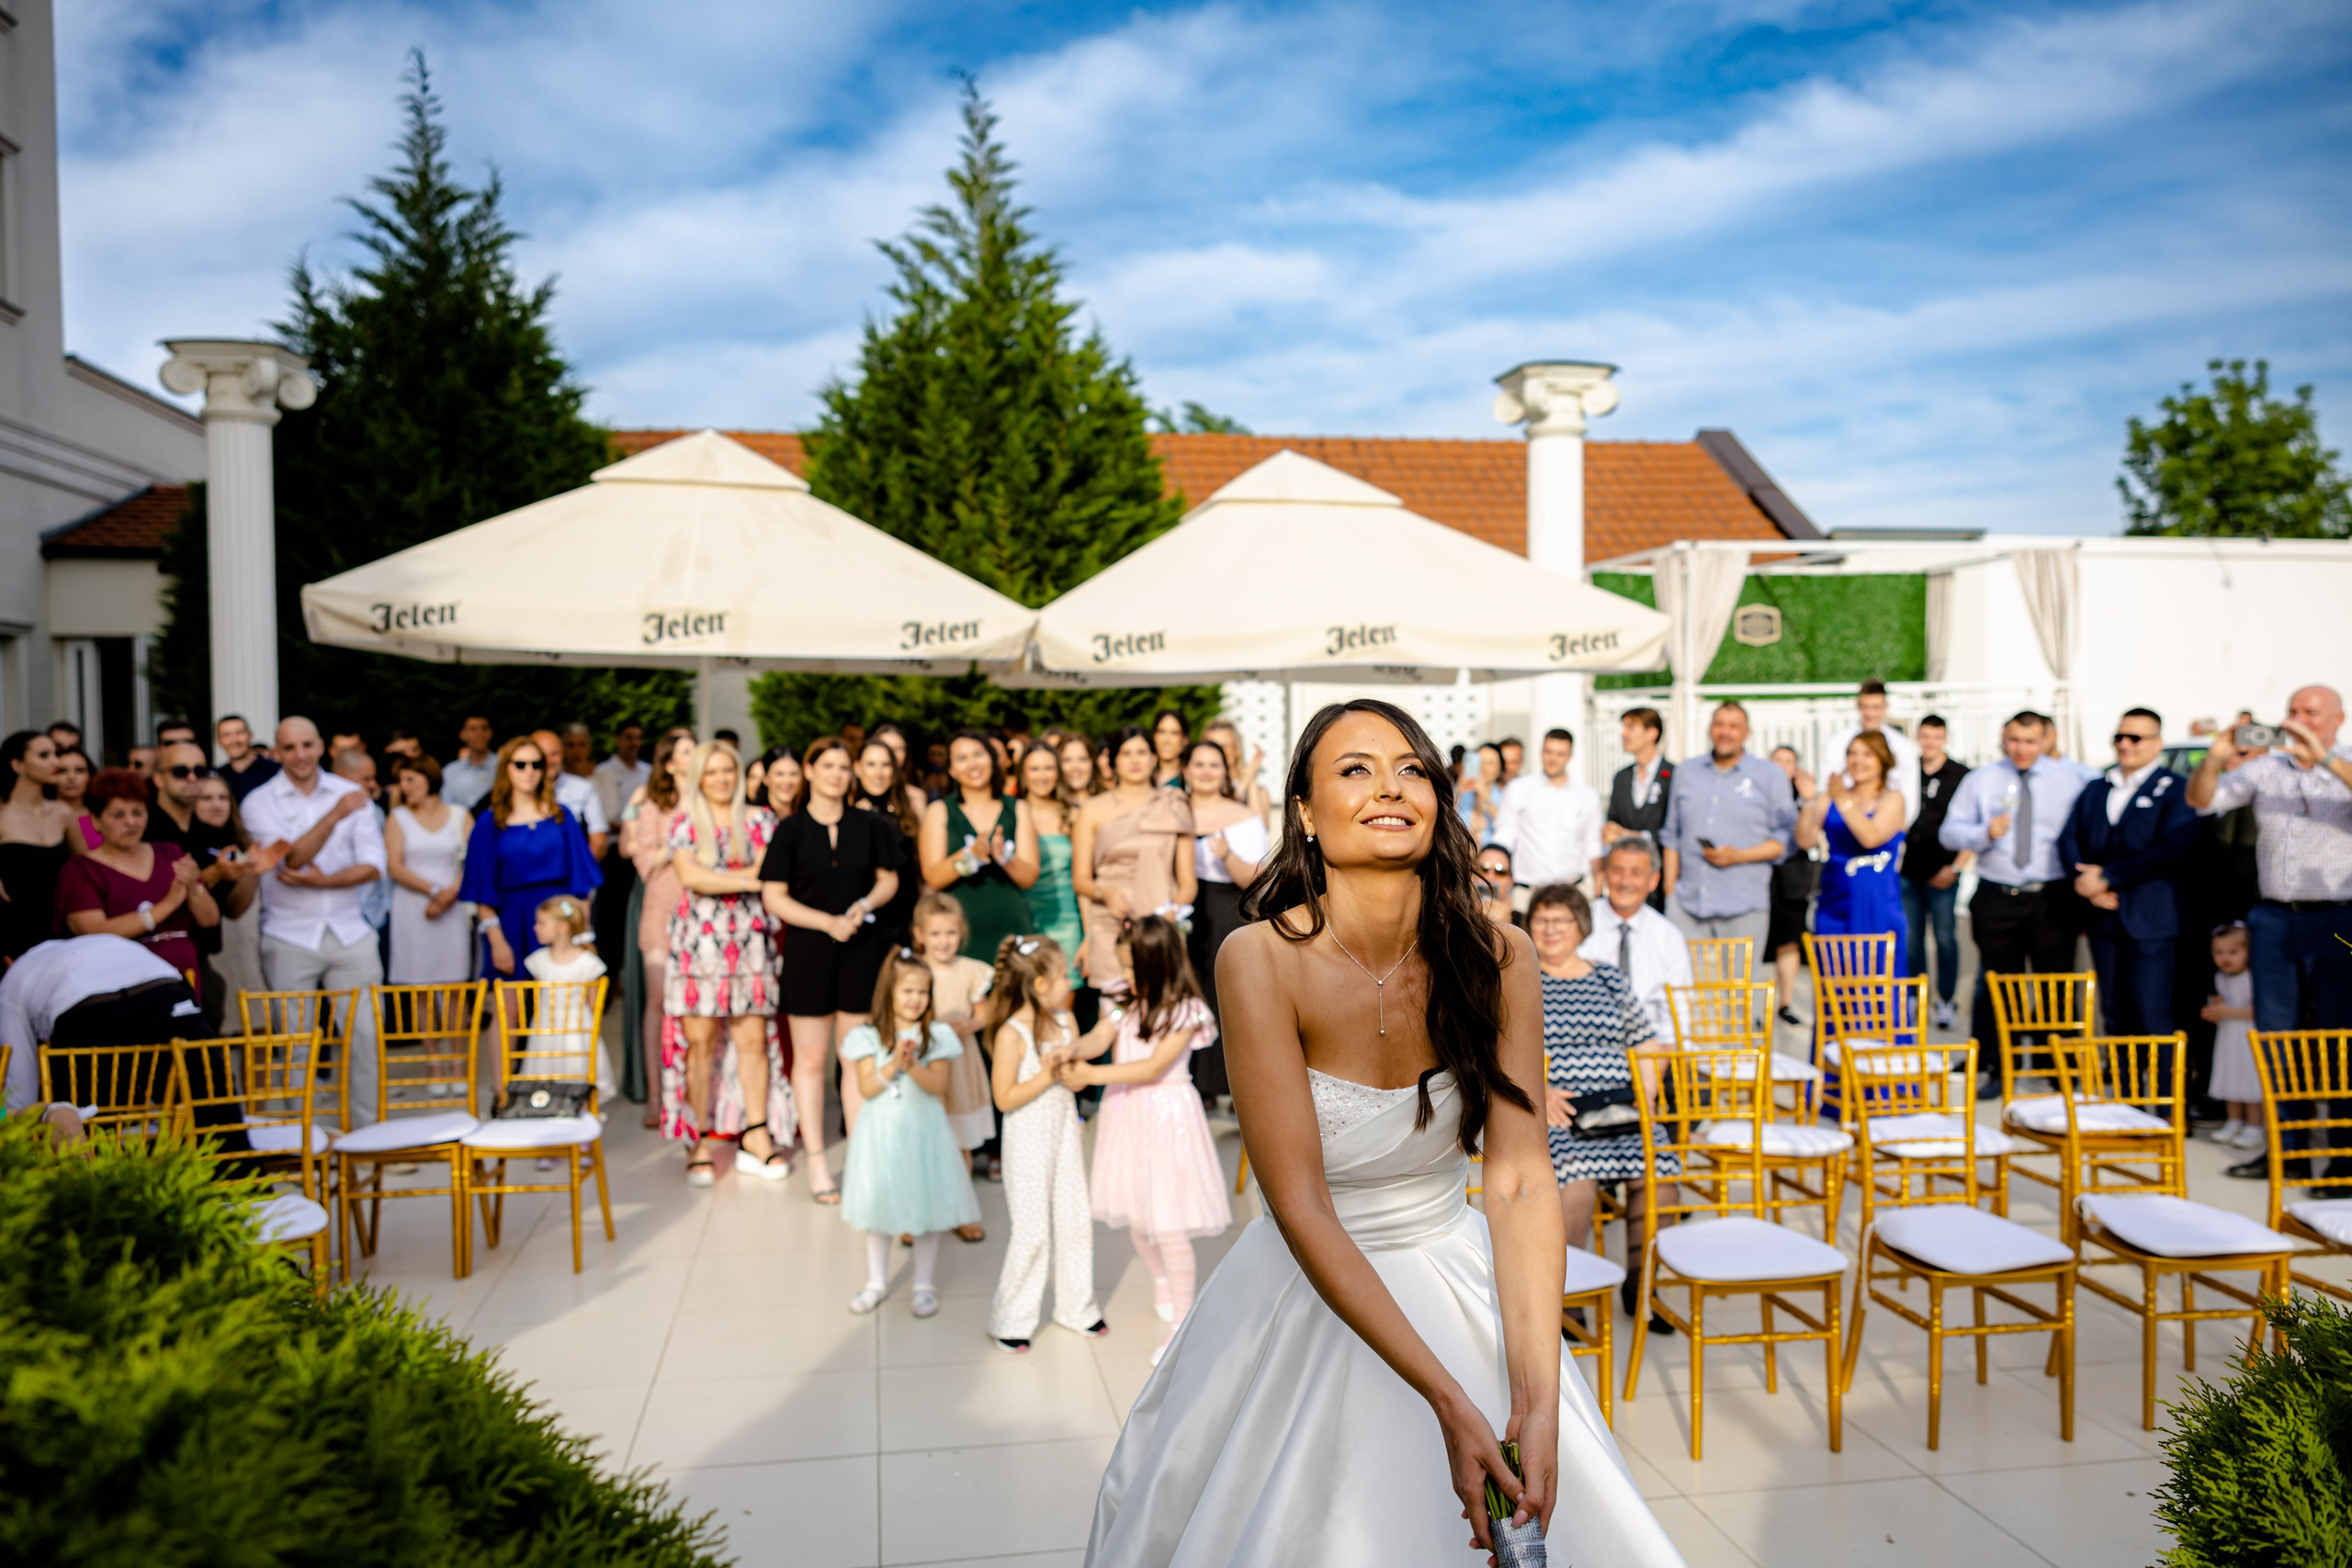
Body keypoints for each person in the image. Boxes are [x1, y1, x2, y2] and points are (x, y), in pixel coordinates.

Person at [1086, 698, 1683, 1567]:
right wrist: (1447, 1398)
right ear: (1303, 811)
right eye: (1355, 769)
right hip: (1304, 1283)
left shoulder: (1502, 955)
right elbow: (1298, 1201)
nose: (1388, 787)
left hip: (1459, 1269)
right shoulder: (1259, 959)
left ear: (1439, 799)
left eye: (1411, 768)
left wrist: (1538, 1395)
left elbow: (1517, 1180)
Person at [2188, 684, 2352, 1183]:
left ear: (2337, 719)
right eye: (2293, 711)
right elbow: (2203, 801)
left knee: (2337, 1036)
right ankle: (2287, 1153)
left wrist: (2322, 759)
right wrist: (2213, 759)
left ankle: (2342, 1159)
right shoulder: (2266, 768)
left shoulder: (2343, 762)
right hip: (2275, 916)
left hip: (2339, 918)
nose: (2298, 720)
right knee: (2278, 1041)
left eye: (2310, 712)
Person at [1067, 914, 1230, 1364]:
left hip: (1167, 1117)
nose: (1127, 977)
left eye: (1134, 969)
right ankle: (1161, 1278)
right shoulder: (1121, 999)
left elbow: (1153, 1067)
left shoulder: (1185, 1010)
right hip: (1126, 1115)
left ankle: (1183, 1319)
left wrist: (1092, 1075)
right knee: (1137, 1218)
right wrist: (1072, 1051)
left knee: (1169, 1222)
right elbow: (1100, 1035)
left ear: (1159, 965)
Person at [762, 736, 904, 1203]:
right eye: (828, 766)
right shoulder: (791, 830)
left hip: (861, 948)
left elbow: (889, 879)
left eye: (845, 767)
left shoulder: (871, 825)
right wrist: (826, 922)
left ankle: (862, 1157)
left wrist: (863, 905)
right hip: (808, 950)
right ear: (809, 771)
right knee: (809, 1060)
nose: (837, 775)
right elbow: (774, 896)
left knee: (855, 1056)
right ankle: (819, 1161)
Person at [1532, 880, 1677, 1328]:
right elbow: (1501, 1049)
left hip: (1623, 1107)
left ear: (1581, 927)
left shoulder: (1608, 977)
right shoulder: (1521, 979)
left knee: (1659, 1174)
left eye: (1562, 920)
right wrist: (1543, 1093)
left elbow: (1648, 1044)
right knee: (1576, 1182)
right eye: (1542, 920)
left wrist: (1647, 1095)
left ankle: (1645, 1285)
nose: (1552, 929)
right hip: (1562, 1111)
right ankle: (1570, 1298)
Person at [240, 717, 390, 1124]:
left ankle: (369, 1135)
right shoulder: (259, 801)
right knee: (296, 1043)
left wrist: (325, 881)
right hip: (288, 933)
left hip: (350, 929)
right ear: (277, 752)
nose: (300, 755)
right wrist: (334, 816)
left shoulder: (351, 792)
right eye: (290, 747)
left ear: (321, 746)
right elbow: (292, 859)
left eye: (307, 745)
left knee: (365, 1037)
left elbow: (374, 865)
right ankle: (303, 1140)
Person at [1940, 711, 2091, 1089]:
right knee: (1998, 985)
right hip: (1997, 895)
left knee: (2055, 985)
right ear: (2003, 740)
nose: (2021, 749)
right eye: (2014, 741)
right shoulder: (1982, 779)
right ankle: (1996, 1066)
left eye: (2030, 741)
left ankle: (2057, 1067)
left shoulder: (2074, 779)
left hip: (2050, 896)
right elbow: (1949, 832)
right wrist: (1982, 833)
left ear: (2046, 740)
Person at [983, 933, 1115, 1352]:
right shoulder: (1012, 1033)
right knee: (1032, 1228)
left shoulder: (1065, 1021)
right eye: (1063, 976)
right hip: (1026, 1138)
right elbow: (1004, 1098)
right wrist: (1047, 1074)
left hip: (1063, 1132)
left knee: (1075, 1216)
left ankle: (1076, 1306)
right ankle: (1011, 1316)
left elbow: (1075, 1069)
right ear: (1040, 985)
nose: (1070, 983)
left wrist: (1071, 1072)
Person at [662, 740, 786, 1187]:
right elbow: (690, 877)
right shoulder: (683, 822)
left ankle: (757, 1134)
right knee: (700, 1042)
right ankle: (697, 1138)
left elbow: (768, 873)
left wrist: (721, 879)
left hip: (751, 940)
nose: (720, 779)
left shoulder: (760, 820)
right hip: (699, 945)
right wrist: (743, 877)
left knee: (752, 1038)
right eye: (711, 772)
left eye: (728, 770)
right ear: (698, 776)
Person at [839, 949, 982, 1317]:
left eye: (923, 992)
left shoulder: (936, 1036)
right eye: (907, 991)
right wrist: (894, 1065)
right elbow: (868, 1089)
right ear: (889, 992)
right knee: (879, 1210)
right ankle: (875, 1282)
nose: (916, 999)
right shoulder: (868, 1036)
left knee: (927, 1207)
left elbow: (938, 1086)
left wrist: (913, 1064)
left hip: (925, 1132)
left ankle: (923, 1284)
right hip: (882, 1134)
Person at [2059, 707, 2197, 1041]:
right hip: (2103, 918)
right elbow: (2069, 837)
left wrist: (2108, 877)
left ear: (2156, 743)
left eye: (2134, 737)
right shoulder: (2097, 787)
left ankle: (2163, 1091)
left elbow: (2172, 849)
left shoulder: (2177, 789)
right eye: (2119, 737)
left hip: (2151, 919)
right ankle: (2124, 1089)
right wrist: (2087, 883)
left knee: (2152, 1010)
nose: (2124, 744)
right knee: (2115, 1010)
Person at [55, 768, 220, 998]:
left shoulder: (170, 852)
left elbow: (210, 919)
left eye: (138, 812)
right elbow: (93, 931)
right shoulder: (81, 870)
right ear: (96, 820)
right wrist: (168, 904)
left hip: (185, 975)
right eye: (118, 815)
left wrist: (193, 886)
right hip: (124, 985)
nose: (131, 822)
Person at [0, 934, 202, 1120]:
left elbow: (19, 1089)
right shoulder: (82, 947)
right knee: (210, 1103)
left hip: (89, 1008)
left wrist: (26, 1119)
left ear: (7, 962)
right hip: (167, 991)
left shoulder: (12, 979)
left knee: (92, 1128)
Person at [458, 734, 603, 986]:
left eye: (537, 764)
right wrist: (497, 941)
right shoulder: (489, 823)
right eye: (521, 764)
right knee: (509, 1012)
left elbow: (582, 883)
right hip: (511, 919)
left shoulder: (561, 817)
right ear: (507, 769)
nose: (529, 772)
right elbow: (482, 891)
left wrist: (579, 934)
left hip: (559, 922)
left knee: (561, 1006)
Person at [1660, 701, 1795, 959]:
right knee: (1686, 991)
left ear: (1747, 733)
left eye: (1734, 726)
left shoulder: (1769, 776)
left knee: (1739, 993)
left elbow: (1786, 837)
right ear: (1710, 729)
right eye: (1719, 725)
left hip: (1742, 904)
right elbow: (1671, 834)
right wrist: (1671, 892)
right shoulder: (1687, 771)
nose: (1725, 732)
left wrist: (1738, 856)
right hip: (1688, 903)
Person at [1074, 727, 1196, 994]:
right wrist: (1104, 893)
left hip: (1160, 924)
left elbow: (1188, 881)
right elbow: (1081, 879)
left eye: (1142, 752)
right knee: (1114, 1012)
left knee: (1164, 1010)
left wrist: (1172, 913)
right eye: (1126, 753)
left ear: (1154, 758)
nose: (1135, 760)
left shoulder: (1175, 803)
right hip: (1110, 922)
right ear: (1113, 761)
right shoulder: (1093, 809)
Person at [1179, 739, 1265, 1107]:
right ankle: (1193, 1081)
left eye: (1214, 765)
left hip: (1225, 907)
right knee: (1187, 990)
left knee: (1224, 993)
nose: (1206, 772)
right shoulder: (1171, 811)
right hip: (1182, 907)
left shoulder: (1242, 815)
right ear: (1185, 770)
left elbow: (1258, 876)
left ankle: (1229, 1084)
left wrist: (1226, 855)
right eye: (1199, 764)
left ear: (1226, 771)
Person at [620, 727, 695, 1126]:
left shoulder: (708, 800)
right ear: (669, 762)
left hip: (703, 910)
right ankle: (655, 1093)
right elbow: (644, 859)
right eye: (686, 750)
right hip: (663, 906)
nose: (694, 755)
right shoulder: (652, 804)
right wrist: (683, 844)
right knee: (658, 1001)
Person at [920, 729, 1038, 964]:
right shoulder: (940, 811)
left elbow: (1029, 877)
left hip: (1010, 928)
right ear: (952, 770)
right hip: (960, 934)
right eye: (962, 758)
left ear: (992, 760)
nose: (972, 764)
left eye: (978, 755)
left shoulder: (1017, 809)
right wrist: (970, 857)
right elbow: (933, 877)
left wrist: (1002, 857)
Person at [1796, 731, 1909, 977]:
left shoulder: (1893, 799)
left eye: (1867, 754)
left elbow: (1870, 837)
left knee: (1876, 973)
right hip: (1835, 896)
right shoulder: (1829, 798)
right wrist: (1807, 803)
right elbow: (1805, 840)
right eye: (1852, 753)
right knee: (1834, 973)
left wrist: (1842, 799)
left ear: (1882, 759)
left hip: (1876, 898)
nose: (1858, 760)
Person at [914, 892, 998, 1224]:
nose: (943, 941)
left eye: (950, 933)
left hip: (961, 1064)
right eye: (935, 934)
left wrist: (973, 1023)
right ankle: (920, 1212)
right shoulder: (915, 971)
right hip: (924, 1063)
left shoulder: (972, 971)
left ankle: (962, 1213)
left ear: (960, 932)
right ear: (920, 935)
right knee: (924, 1143)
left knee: (959, 1141)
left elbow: (984, 1012)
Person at [1577, 839, 1692, 1046]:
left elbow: (1679, 1017)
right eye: (1618, 871)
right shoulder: (1579, 923)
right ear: (1605, 874)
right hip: (1589, 1045)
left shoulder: (1668, 937)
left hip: (1653, 1050)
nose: (1625, 881)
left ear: (1653, 880)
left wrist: (1653, 1069)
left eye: (1636, 873)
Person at [1901, 716, 1973, 1032]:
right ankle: (1916, 996)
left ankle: (1946, 999)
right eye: (1925, 736)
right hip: (1908, 870)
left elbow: (1973, 824)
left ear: (1945, 737)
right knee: (1912, 940)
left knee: (1944, 938)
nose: (1930, 742)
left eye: (1936, 736)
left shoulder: (1961, 775)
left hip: (1943, 870)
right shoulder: (1906, 772)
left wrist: (1956, 866)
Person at [384, 755, 471, 987]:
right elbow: (394, 867)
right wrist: (434, 891)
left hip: (453, 906)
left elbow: (472, 862)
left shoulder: (459, 815)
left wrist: (448, 896)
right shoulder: (398, 818)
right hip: (413, 907)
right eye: (401, 781)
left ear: (429, 779)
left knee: (455, 984)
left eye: (410, 779)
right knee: (418, 988)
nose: (404, 787)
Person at [0, 731, 86, 963]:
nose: (55, 762)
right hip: (13, 934)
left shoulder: (66, 813)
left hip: (62, 932)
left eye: (55, 754)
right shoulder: (2, 814)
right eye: (44, 755)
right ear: (18, 764)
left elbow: (90, 864)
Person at [1497, 728, 1604, 899]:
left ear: (1570, 756)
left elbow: (1594, 847)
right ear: (1541, 752)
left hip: (1572, 891)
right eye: (1549, 752)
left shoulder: (1588, 796)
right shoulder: (1518, 789)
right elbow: (1504, 837)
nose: (1553, 759)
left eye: (1560, 754)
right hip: (1527, 892)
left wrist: (1599, 893)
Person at [523, 894, 612, 1096]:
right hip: (545, 1028)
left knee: (576, 1068)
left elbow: (594, 1004)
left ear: (562, 927)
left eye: (541, 923)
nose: (535, 927)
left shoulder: (588, 963)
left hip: (577, 1029)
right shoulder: (537, 961)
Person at [1765, 745, 1822, 1022]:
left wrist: (1807, 801)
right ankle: (1755, 1006)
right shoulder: (1756, 791)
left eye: (1787, 761)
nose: (1781, 766)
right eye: (1776, 760)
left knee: (1788, 941)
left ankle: (1784, 1002)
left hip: (1792, 875)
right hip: (1760, 871)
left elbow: (1810, 837)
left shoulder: (1806, 798)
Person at [854, 738, 925, 949]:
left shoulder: (909, 809)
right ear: (858, 768)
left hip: (908, 914)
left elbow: (921, 865)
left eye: (885, 765)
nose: (879, 773)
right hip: (868, 916)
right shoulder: (852, 814)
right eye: (871, 764)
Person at [1602, 707, 1674, 913]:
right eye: (1624, 727)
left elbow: (1676, 832)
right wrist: (1610, 832)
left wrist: (1629, 835)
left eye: (1630, 727)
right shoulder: (1622, 777)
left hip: (1659, 884)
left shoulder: (1674, 775)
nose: (1623, 733)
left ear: (1652, 733)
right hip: (1626, 884)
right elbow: (1613, 821)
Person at [1823, 679, 1923, 827]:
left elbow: (1909, 794)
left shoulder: (1903, 746)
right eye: (1865, 707)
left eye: (1876, 707)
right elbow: (1829, 787)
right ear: (1858, 706)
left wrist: (1892, 831)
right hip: (1844, 825)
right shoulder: (1836, 743)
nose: (1870, 713)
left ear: (1885, 707)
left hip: (1888, 829)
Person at [2201, 921, 2262, 1152]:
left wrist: (2227, 1012)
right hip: (2228, 1038)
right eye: (2219, 952)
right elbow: (2220, 1007)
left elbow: (2259, 1010)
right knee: (2231, 1077)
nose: (2225, 958)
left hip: (2248, 1037)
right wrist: (2213, 1013)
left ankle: (2255, 1126)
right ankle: (2234, 1121)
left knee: (2249, 1080)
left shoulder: (2253, 978)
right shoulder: (2219, 978)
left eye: (2233, 952)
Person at [532, 727, 608, 861]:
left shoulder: (584, 788)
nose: (549, 760)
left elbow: (599, 842)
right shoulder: (517, 791)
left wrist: (579, 872)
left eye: (554, 754)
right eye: (543, 754)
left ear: (562, 754)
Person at [1202, 717, 1273, 826]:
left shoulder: (1260, 792)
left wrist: (1251, 779)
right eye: (1213, 746)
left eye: (1225, 746)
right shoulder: (1203, 788)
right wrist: (1245, 783)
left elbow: (1260, 828)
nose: (1219, 752)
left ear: (1236, 750)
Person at [213, 714, 280, 803]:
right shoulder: (217, 777)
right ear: (219, 740)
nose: (234, 740)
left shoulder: (275, 771)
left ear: (250, 735)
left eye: (239, 733)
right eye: (226, 735)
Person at [1456, 740, 1508, 848]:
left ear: (1500, 769)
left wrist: (1486, 797)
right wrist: (1458, 794)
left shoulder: (1505, 797)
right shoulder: (1460, 791)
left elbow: (1506, 828)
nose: (1484, 767)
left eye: (1490, 763)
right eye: (1480, 762)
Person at [441, 716, 497, 813]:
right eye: (473, 729)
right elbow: (446, 807)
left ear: (490, 733)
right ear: (462, 734)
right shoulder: (450, 771)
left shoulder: (504, 767)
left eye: (484, 728)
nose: (479, 734)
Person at [53, 746, 98, 850]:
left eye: (79, 770)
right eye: (62, 771)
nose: (71, 777)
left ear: (90, 775)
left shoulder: (101, 814)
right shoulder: (42, 814)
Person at [1476, 844, 1518, 930]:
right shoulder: (1455, 916)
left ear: (1511, 882)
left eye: (1500, 873)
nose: (1490, 877)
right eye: (1483, 869)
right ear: (1472, 875)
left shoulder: (1525, 921)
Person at [1148, 708, 1189, 788]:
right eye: (1161, 732)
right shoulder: (1141, 775)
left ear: (1185, 740)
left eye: (1174, 733)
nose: (1166, 740)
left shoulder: (1192, 778)